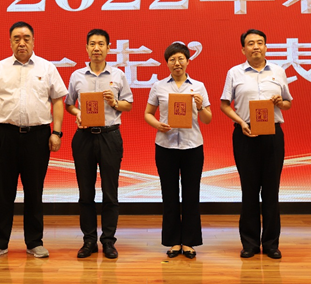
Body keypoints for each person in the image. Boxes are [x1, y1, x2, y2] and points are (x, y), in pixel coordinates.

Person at [0, 21, 68, 259]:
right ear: (10, 42)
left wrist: (56, 132)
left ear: (33, 41)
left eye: (26, 38)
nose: (22, 43)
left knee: (34, 191)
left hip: (38, 137)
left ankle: (34, 242)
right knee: (3, 191)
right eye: (16, 38)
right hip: (6, 135)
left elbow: (58, 100)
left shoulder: (47, 68)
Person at [220, 29, 292, 260]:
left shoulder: (278, 71)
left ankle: (271, 244)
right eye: (250, 43)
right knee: (249, 190)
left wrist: (281, 102)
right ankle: (249, 243)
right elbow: (224, 104)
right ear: (243, 49)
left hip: (272, 134)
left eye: (260, 42)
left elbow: (288, 103)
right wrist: (241, 122)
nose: (256, 47)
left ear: (266, 47)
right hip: (245, 133)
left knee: (271, 191)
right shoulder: (235, 72)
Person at [65, 29, 133, 259]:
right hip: (84, 137)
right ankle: (89, 240)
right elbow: (69, 104)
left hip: (109, 136)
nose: (96, 48)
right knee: (85, 192)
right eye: (92, 44)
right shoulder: (77, 76)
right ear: (86, 48)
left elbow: (128, 104)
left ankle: (109, 241)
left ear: (108, 48)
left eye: (101, 44)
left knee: (110, 192)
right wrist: (78, 113)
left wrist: (115, 103)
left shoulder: (118, 75)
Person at [144, 42, 212, 259]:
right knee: (169, 195)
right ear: (167, 63)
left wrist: (200, 106)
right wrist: (158, 125)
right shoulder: (159, 86)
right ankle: (173, 241)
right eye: (172, 59)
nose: (177, 63)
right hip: (166, 146)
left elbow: (207, 119)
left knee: (191, 195)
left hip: (193, 147)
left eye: (181, 58)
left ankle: (189, 242)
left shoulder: (198, 86)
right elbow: (148, 113)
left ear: (188, 61)